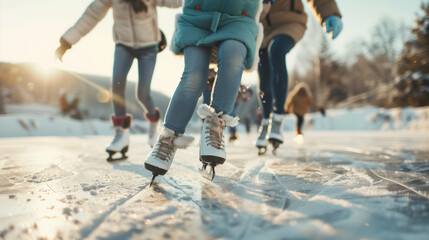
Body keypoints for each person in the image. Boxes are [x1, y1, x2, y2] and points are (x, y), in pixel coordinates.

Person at [144, 0, 263, 182]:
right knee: (194, 74)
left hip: (238, 19)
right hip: (196, 18)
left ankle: (215, 124)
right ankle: (168, 139)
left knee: (234, 54)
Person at [54, 0, 183, 160]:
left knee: (142, 93)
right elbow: (91, 15)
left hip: (148, 48)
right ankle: (121, 135)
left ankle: (153, 119)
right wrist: (67, 41)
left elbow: (175, 2)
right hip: (124, 45)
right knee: (117, 86)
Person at [255, 0, 343, 153]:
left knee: (276, 50)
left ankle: (277, 118)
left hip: (289, 21)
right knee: (264, 78)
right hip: (260, 27)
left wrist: (329, 13)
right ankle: (265, 120)